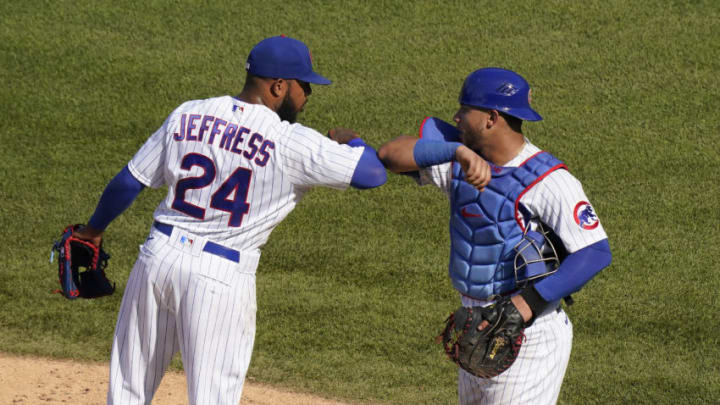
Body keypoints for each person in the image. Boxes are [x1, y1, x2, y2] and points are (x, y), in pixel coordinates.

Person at [71, 35, 387, 405]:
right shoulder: (290, 141)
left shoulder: (188, 113)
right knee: (213, 397)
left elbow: (129, 181)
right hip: (218, 278)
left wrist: (92, 230)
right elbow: (372, 174)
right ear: (278, 86)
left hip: (157, 259)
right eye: (304, 86)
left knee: (127, 391)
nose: (308, 96)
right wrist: (351, 140)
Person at [377, 67, 612, 404]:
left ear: (490, 118)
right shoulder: (461, 160)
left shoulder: (549, 180)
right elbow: (389, 155)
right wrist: (454, 151)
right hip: (476, 327)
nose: (456, 117)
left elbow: (595, 252)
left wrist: (525, 304)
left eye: (464, 109)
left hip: (529, 332)